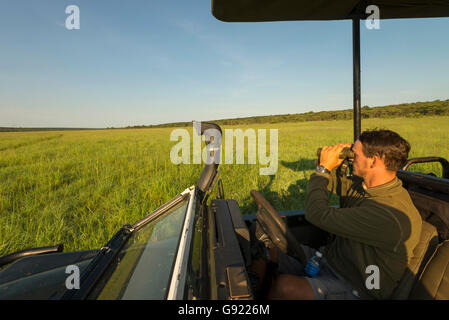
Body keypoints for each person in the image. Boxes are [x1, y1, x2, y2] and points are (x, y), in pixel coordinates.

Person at [250, 129, 422, 300]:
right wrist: (333, 162)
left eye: (356, 154)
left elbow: (316, 214)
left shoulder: (388, 213)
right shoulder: (367, 187)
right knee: (265, 245)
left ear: (373, 161)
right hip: (330, 261)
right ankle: (248, 294)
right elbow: (333, 184)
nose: (352, 158)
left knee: (285, 288)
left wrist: (323, 169)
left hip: (357, 286)